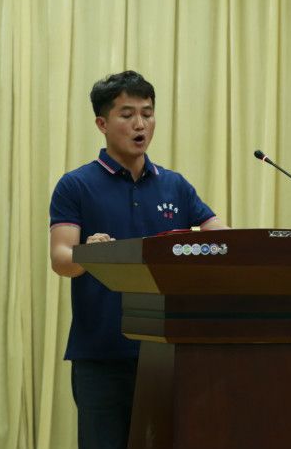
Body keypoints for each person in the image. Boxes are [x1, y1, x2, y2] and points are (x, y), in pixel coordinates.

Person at [49, 71, 228, 449]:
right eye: (127, 114)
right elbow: (61, 258)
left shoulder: (174, 185)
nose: (140, 124)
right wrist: (89, 254)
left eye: (147, 113)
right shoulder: (76, 184)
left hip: (170, 352)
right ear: (102, 124)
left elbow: (222, 238)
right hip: (102, 354)